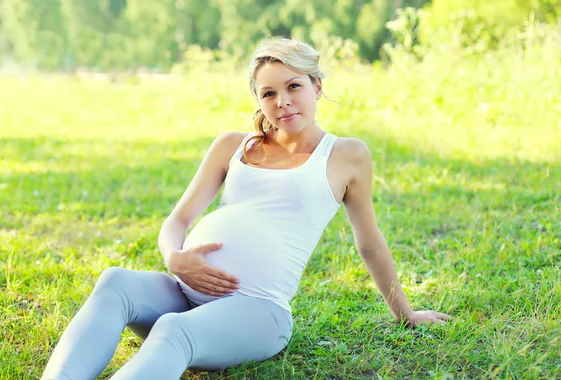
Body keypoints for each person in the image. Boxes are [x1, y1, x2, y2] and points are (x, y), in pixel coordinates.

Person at [41, 37, 451, 380]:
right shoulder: (232, 146)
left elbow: (370, 244)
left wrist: (405, 313)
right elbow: (178, 220)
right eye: (269, 93)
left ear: (318, 87)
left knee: (173, 331)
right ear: (258, 100)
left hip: (259, 314)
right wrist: (175, 257)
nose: (283, 102)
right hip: (184, 294)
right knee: (115, 282)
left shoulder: (346, 155)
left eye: (294, 87)